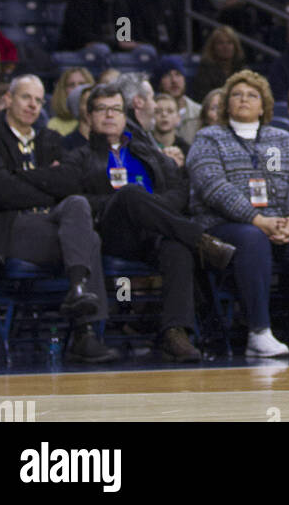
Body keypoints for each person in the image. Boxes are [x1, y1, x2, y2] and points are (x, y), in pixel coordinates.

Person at [63, 82, 235, 362]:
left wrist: (152, 209)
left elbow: (179, 189)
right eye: (102, 109)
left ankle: (174, 334)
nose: (110, 115)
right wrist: (128, 204)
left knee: (176, 248)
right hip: (110, 233)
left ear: (125, 114)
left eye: (116, 109)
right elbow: (76, 203)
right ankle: (201, 240)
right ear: (90, 116)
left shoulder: (147, 151)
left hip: (154, 231)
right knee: (131, 194)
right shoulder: (79, 157)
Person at [0, 76, 118, 363]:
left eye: (38, 100)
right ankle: (84, 333)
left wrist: (20, 178)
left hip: (51, 226)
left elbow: (71, 181)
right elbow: (0, 192)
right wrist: (47, 184)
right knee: (89, 238)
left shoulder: (49, 138)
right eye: (26, 98)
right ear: (8, 100)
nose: (33, 106)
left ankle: (77, 291)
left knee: (77, 204)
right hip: (8, 230)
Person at [187, 70, 289, 358]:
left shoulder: (282, 136)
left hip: (280, 221)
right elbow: (213, 187)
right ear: (226, 104)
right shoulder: (207, 138)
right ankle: (259, 332)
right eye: (236, 95)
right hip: (224, 225)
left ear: (264, 105)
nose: (244, 100)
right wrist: (257, 219)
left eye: (252, 95)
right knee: (252, 238)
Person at [155, 56, 202, 146]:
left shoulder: (199, 112)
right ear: (160, 81)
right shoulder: (151, 113)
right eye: (167, 75)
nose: (174, 80)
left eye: (178, 74)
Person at [193, 26, 246, 102]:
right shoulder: (205, 71)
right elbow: (203, 98)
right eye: (221, 43)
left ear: (235, 46)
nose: (225, 47)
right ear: (213, 47)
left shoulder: (242, 70)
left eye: (229, 42)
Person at [47, 67, 96, 136]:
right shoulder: (53, 125)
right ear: (63, 90)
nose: (77, 88)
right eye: (72, 85)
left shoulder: (98, 122)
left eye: (82, 84)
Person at [152, 93, 191, 160]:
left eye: (170, 111)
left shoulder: (186, 150)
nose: (164, 115)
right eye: (158, 111)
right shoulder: (145, 145)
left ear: (178, 118)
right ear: (151, 116)